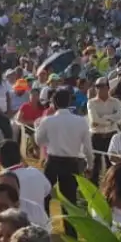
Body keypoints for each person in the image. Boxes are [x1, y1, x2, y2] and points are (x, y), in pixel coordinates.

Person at [36, 87, 92, 226]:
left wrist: (51, 141)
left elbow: (39, 141)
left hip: (53, 161)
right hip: (71, 163)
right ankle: (71, 237)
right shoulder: (80, 121)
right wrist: (90, 165)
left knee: (45, 197)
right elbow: (87, 148)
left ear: (54, 103)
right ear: (69, 102)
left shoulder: (47, 121)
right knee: (70, 202)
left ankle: (45, 226)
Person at [89, 75, 121, 184]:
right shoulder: (91, 102)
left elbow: (119, 116)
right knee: (95, 163)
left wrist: (103, 118)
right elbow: (94, 119)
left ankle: (111, 184)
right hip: (97, 135)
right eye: (97, 87)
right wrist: (110, 119)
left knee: (111, 162)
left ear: (108, 88)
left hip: (111, 135)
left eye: (102, 87)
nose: (100, 89)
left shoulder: (115, 102)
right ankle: (93, 186)